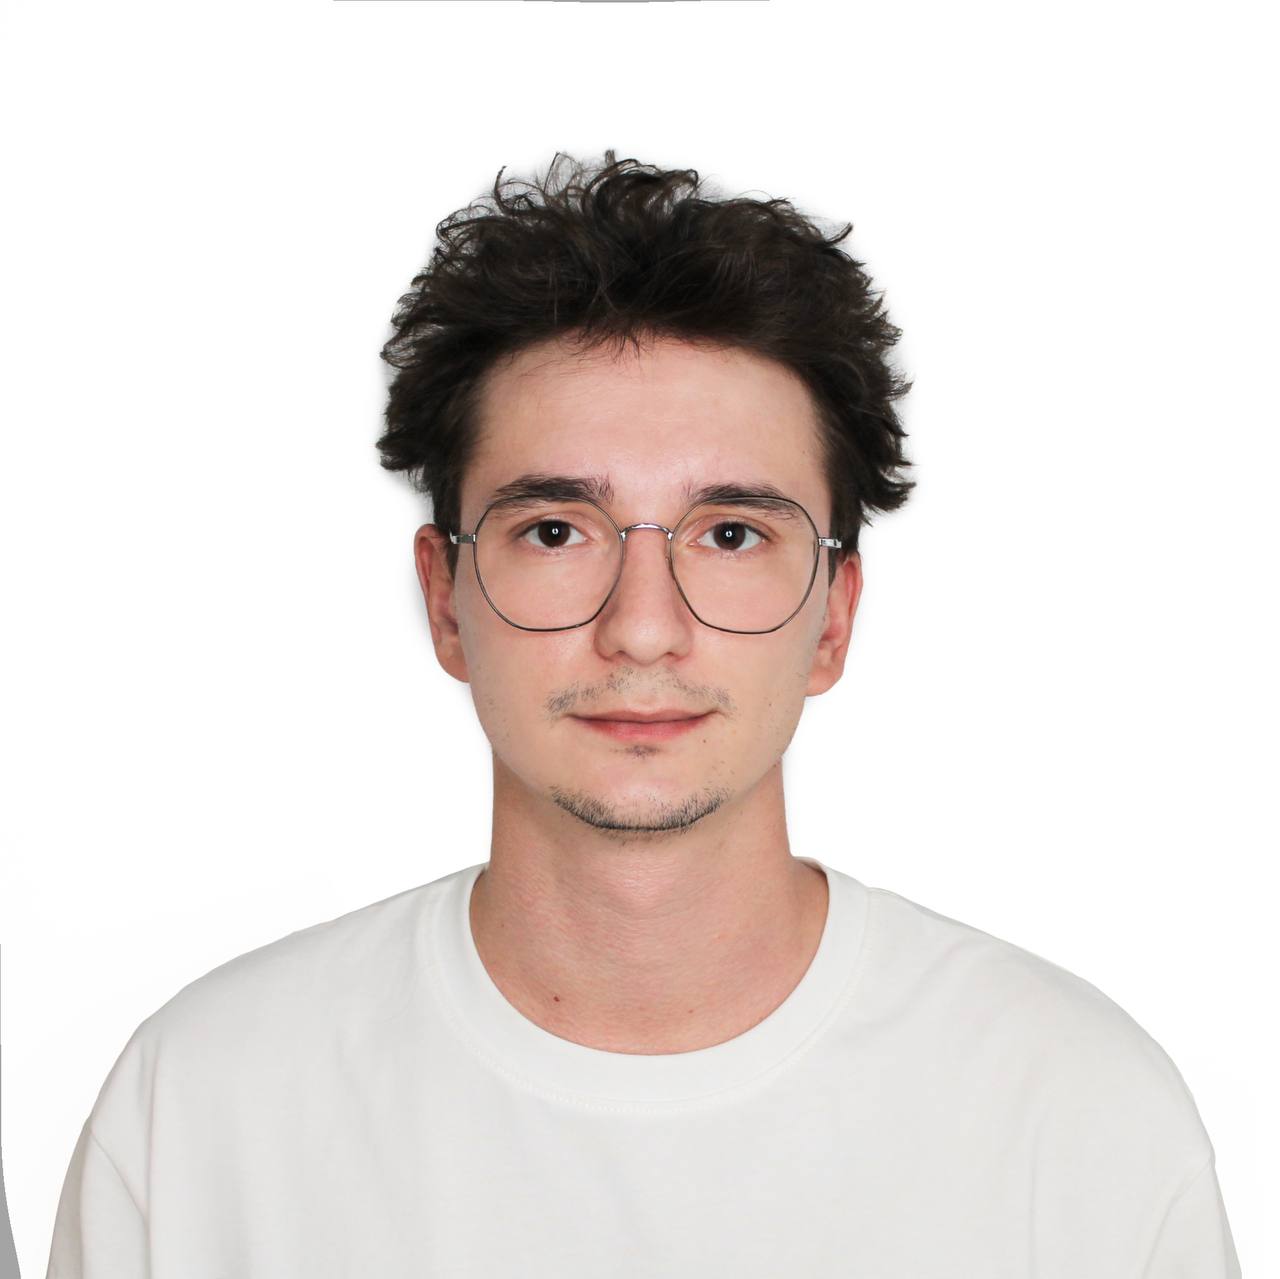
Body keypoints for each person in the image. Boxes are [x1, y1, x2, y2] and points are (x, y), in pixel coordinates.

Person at [46, 151, 1241, 1278]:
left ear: (832, 616)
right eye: (554, 530)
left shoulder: (1077, 1115)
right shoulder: (198, 1109)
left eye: (731, 535)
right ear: (444, 599)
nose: (643, 627)